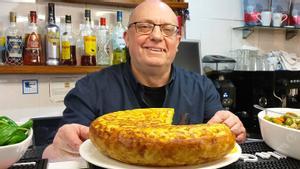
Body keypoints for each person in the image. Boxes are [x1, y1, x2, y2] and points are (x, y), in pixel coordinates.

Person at [43, 0, 246, 161]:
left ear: (177, 42)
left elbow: (221, 135)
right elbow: (63, 152)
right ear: (126, 38)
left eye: (167, 29)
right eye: (144, 27)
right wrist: (58, 150)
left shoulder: (202, 87)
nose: (157, 36)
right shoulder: (90, 88)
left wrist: (232, 127)